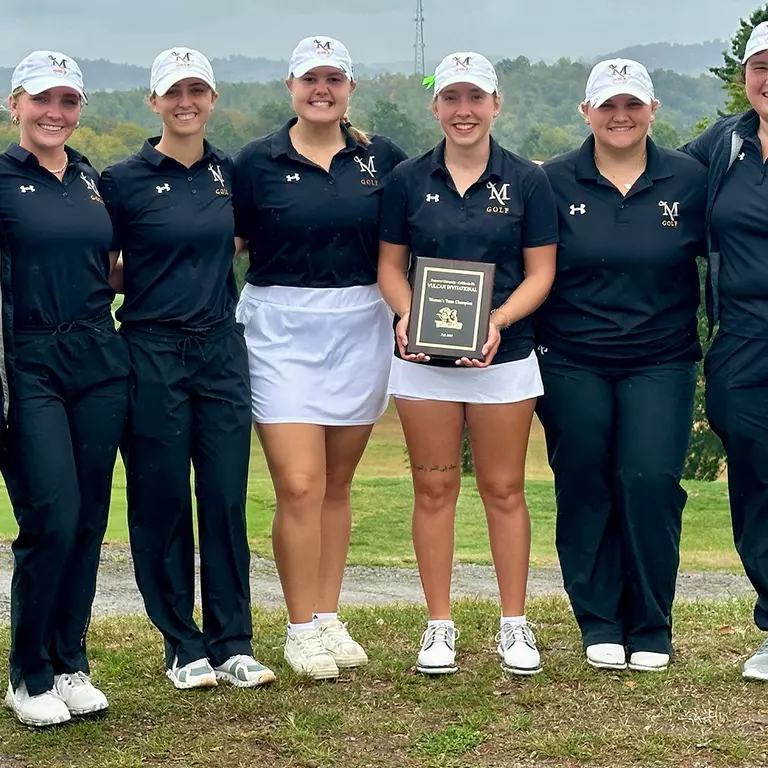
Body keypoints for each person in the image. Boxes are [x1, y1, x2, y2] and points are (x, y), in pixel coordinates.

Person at [232, 36, 407, 680]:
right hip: (279, 327)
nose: (322, 89)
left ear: (350, 89)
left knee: (335, 484)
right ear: (291, 87)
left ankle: (329, 615)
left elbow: (416, 233)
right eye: (310, 79)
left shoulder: (381, 158)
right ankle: (299, 625)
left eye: (334, 79)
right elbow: (225, 241)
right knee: (299, 484)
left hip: (361, 323)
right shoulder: (255, 162)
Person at [378, 52, 558, 676]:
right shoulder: (406, 179)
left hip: (503, 357)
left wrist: (498, 321)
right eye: (451, 98)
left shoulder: (529, 182)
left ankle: (515, 624)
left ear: (495, 104)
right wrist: (405, 316)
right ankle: (438, 626)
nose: (463, 110)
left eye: (475, 98)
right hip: (423, 360)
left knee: (504, 489)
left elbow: (541, 274)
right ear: (436, 107)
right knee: (433, 487)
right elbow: (389, 269)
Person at [100, 47, 274, 690]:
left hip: (221, 347)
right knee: (162, 496)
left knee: (225, 497)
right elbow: (106, 266)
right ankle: (182, 642)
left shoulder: (230, 173)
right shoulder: (122, 180)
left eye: (197, 91)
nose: (185, 102)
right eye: (173, 92)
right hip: (151, 349)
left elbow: (244, 241)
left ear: (212, 99)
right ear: (153, 101)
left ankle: (233, 640)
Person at [536, 59, 707, 672]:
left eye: (632, 104)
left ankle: (651, 623)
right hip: (571, 358)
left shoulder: (690, 179)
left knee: (649, 483)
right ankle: (600, 620)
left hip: (661, 358)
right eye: (606, 105)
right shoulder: (552, 181)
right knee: (584, 481)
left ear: (653, 110)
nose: (620, 115)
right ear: (586, 112)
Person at [0, 51, 129, 726]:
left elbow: (111, 264)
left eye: (68, 102)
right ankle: (27, 675)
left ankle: (70, 662)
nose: (56, 114)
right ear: (15, 103)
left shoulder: (88, 179)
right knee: (50, 515)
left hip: (96, 355)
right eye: (43, 100)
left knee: (88, 519)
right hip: (28, 360)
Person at [681, 21, 768, 681]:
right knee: (756, 483)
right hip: (741, 337)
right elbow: (656, 179)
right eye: (761, 65)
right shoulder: (726, 142)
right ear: (746, 76)